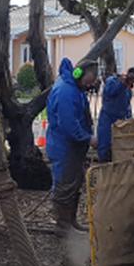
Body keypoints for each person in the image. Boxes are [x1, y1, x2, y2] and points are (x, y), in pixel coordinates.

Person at [46, 57, 98, 233]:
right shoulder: (66, 92)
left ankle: (71, 221)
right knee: (65, 184)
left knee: (74, 183)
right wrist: (88, 138)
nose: (88, 86)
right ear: (78, 74)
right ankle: (62, 225)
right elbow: (69, 124)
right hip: (64, 146)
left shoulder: (76, 88)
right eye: (87, 82)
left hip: (73, 146)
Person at [96, 66, 134, 162]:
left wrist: (130, 120)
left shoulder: (128, 90)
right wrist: (122, 83)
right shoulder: (112, 81)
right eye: (132, 79)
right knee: (105, 144)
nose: (132, 82)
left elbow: (127, 106)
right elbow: (110, 92)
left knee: (119, 146)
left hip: (120, 121)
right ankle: (103, 165)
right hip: (107, 118)